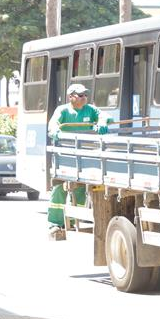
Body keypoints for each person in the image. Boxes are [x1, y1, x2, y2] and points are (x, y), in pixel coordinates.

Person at [47, 83, 110, 241]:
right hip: (65, 158)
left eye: (85, 95)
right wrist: (55, 131)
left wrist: (102, 122)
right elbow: (53, 125)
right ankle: (56, 223)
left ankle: (73, 220)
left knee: (81, 190)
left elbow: (105, 116)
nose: (84, 98)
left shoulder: (90, 110)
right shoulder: (63, 110)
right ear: (71, 97)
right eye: (80, 95)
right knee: (59, 190)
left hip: (85, 158)